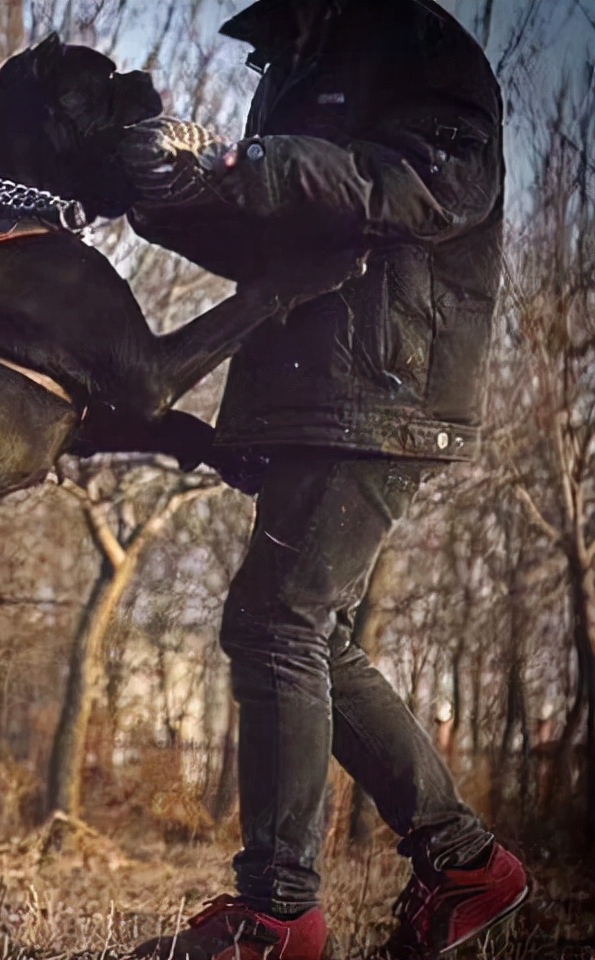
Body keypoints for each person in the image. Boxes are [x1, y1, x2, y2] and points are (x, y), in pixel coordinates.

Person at [117, 1, 526, 958]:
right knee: (301, 632)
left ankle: (280, 911)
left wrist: (246, 162)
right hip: (314, 383)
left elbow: (438, 188)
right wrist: (166, 198)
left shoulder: (416, 45)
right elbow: (281, 236)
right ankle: (463, 862)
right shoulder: (298, 58)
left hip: (383, 381)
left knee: (278, 625)